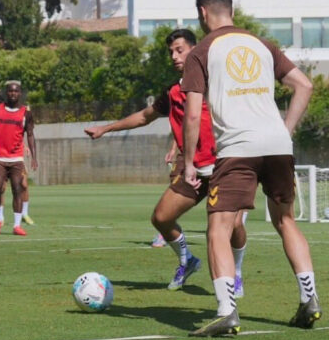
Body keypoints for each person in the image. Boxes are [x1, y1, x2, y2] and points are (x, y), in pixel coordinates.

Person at [182, 0, 318, 337]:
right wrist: (285, 130)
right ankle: (310, 299)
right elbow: (304, 85)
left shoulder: (201, 51)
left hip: (238, 150)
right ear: (231, 9)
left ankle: (227, 311)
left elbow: (193, 116)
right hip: (277, 146)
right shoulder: (262, 45)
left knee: (219, 228)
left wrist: (187, 162)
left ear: (202, 12)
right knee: (285, 221)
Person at [86, 28, 249, 295]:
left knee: (235, 225)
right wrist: (106, 128)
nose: (174, 56)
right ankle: (187, 261)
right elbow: (144, 117)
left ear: (195, 50)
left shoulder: (219, 82)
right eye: (171, 52)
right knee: (161, 218)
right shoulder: (173, 91)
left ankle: (237, 272)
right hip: (193, 170)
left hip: (225, 166)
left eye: (179, 50)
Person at [0, 81, 38, 236]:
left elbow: (30, 134)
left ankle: (16, 226)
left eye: (16, 91)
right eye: (10, 91)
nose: (13, 94)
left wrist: (34, 157)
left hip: (16, 159)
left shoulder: (26, 113)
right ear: (6, 93)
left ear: (20, 93)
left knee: (18, 189)